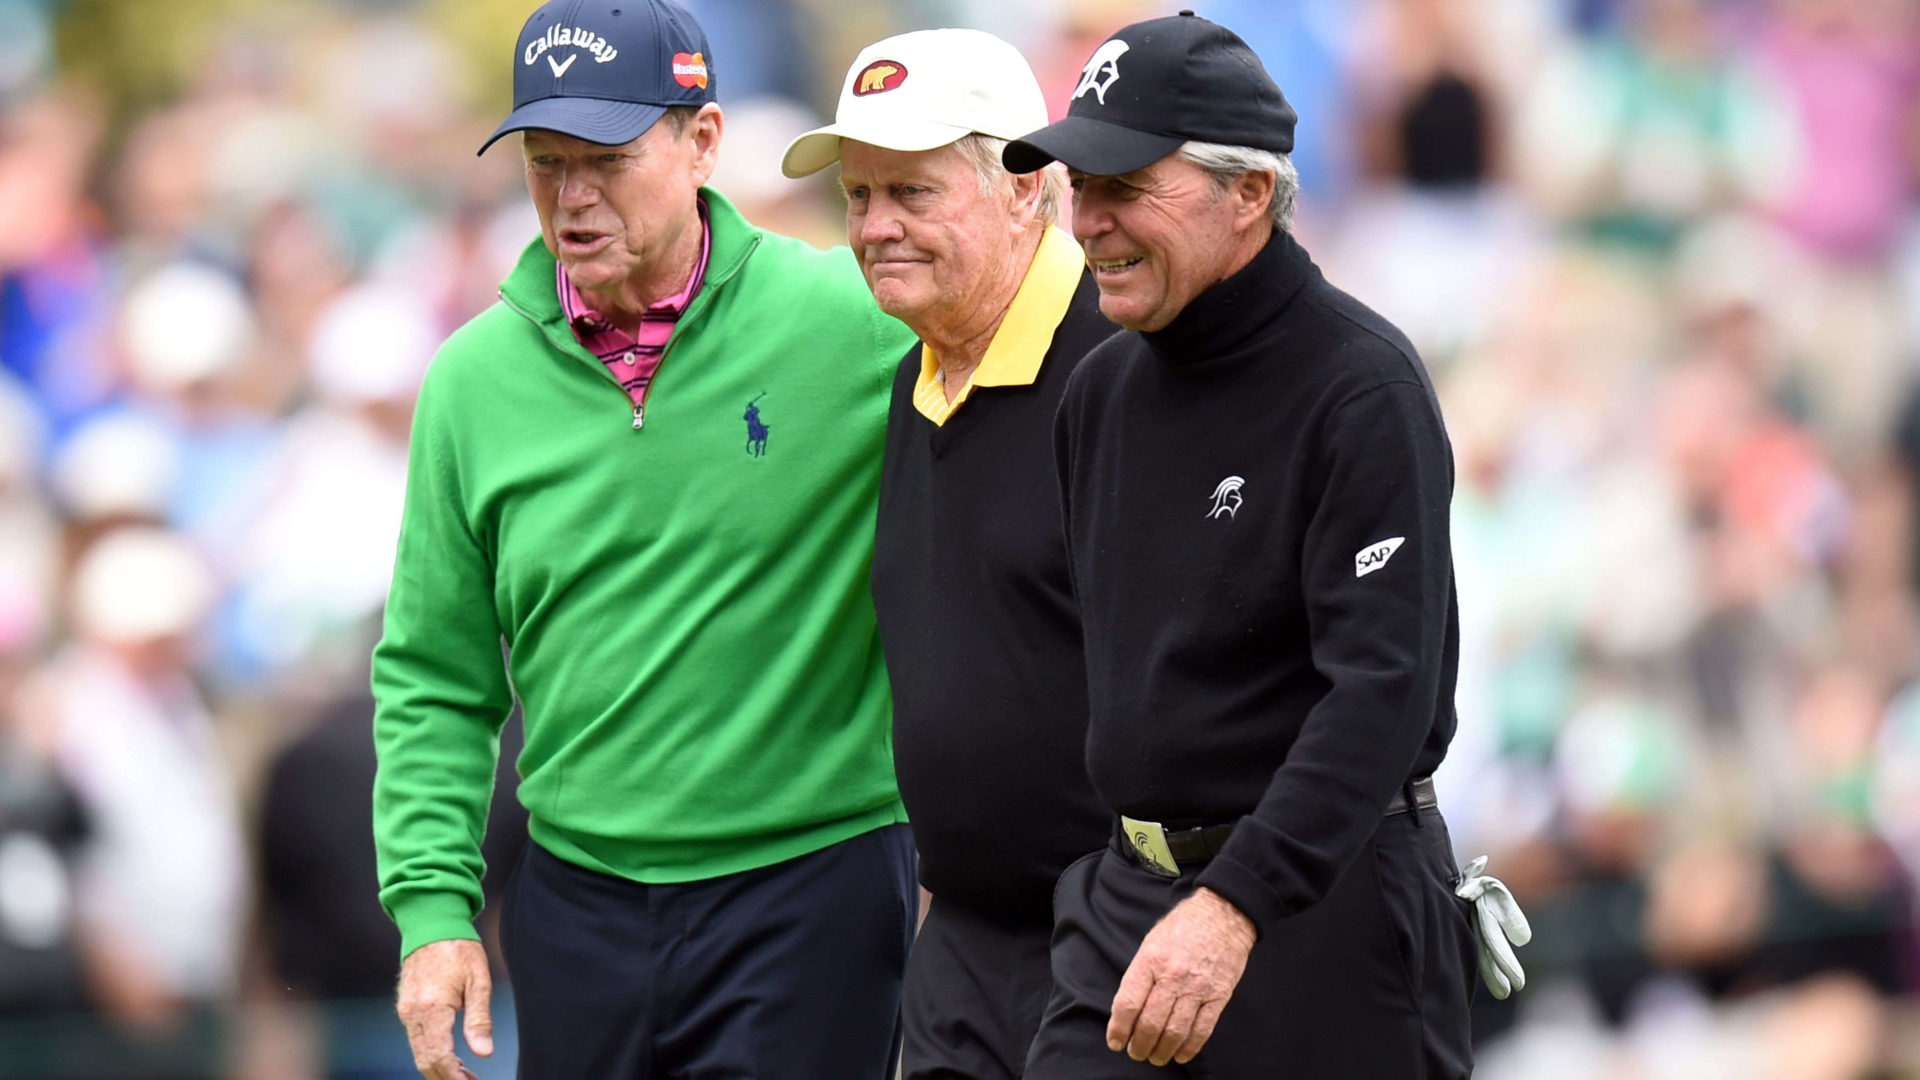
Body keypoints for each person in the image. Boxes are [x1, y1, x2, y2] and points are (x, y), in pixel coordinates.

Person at [371, 1, 919, 1077]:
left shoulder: (853, 318)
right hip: (577, 900)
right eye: (545, 163)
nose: (572, 199)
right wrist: (433, 906)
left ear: (702, 141)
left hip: (810, 885)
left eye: (607, 161)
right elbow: (436, 672)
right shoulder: (471, 382)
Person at [1000, 12, 1526, 1077]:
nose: (1089, 222)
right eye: (1078, 187)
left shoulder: (1361, 385)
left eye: (1124, 186)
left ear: (1248, 195)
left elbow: (1381, 694)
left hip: (1322, 909)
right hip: (1130, 902)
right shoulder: (1097, 389)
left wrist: (1233, 905)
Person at [781, 29, 1115, 1080]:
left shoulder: (1122, 369)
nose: (875, 228)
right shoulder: (915, 378)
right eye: (859, 196)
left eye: (912, 194)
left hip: (1122, 922)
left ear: (1030, 190)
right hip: (967, 933)